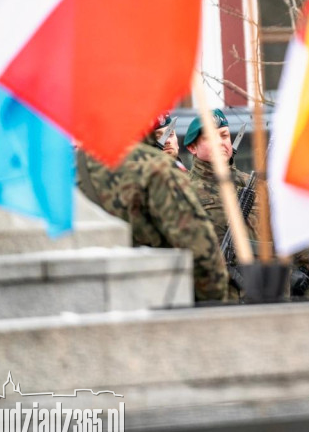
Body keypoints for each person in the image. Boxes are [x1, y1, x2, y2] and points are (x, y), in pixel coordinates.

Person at [76, 115, 228, 302]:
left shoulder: (72, 168)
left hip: (90, 300)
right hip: (154, 297)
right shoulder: (156, 167)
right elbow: (202, 254)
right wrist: (211, 303)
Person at [184, 109, 261, 245]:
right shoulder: (184, 190)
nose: (220, 142)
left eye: (224, 136)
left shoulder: (254, 185)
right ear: (192, 148)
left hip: (260, 265)